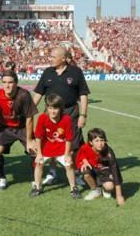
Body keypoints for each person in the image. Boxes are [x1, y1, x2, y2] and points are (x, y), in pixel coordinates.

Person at [33, 46, 90, 185]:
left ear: (63, 58)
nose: (50, 59)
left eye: (53, 57)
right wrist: (29, 110)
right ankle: (52, 173)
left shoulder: (76, 72)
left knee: (74, 144)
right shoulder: (47, 72)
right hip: (51, 114)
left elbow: (83, 95)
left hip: (70, 113)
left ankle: (76, 173)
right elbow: (39, 93)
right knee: (51, 142)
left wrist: (83, 115)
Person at [0, 70, 38, 189]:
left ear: (16, 83)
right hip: (5, 129)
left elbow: (29, 118)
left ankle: (37, 180)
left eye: (10, 82)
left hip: (22, 128)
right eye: (4, 82)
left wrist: (30, 139)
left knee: (34, 151)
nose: (7, 85)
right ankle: (2, 178)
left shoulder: (24, 94)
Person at [30, 94, 81, 199]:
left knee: (69, 165)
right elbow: (38, 137)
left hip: (62, 148)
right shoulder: (42, 118)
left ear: (61, 108)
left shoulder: (66, 119)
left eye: (56, 108)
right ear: (47, 107)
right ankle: (37, 187)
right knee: (38, 163)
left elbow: (68, 139)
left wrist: (67, 154)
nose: (53, 111)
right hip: (46, 148)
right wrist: (39, 154)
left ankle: (73, 188)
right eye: (50, 108)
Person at [76, 128, 125, 206]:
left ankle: (105, 190)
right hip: (93, 170)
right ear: (90, 142)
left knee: (109, 186)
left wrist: (119, 196)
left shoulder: (108, 152)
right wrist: (84, 161)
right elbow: (80, 156)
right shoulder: (85, 147)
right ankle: (96, 190)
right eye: (97, 141)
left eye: (102, 140)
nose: (100, 144)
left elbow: (116, 171)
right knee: (85, 170)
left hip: (104, 172)